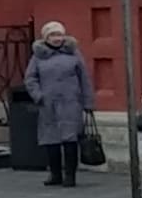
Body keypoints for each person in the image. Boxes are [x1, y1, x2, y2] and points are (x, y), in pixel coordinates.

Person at [24, 22, 92, 188]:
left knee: (70, 140)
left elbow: (84, 78)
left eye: (59, 35)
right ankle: (55, 174)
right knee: (51, 140)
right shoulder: (38, 56)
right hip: (48, 104)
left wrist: (88, 102)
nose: (57, 39)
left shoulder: (73, 53)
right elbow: (30, 78)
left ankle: (70, 175)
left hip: (71, 104)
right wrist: (38, 96)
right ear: (46, 37)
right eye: (53, 35)